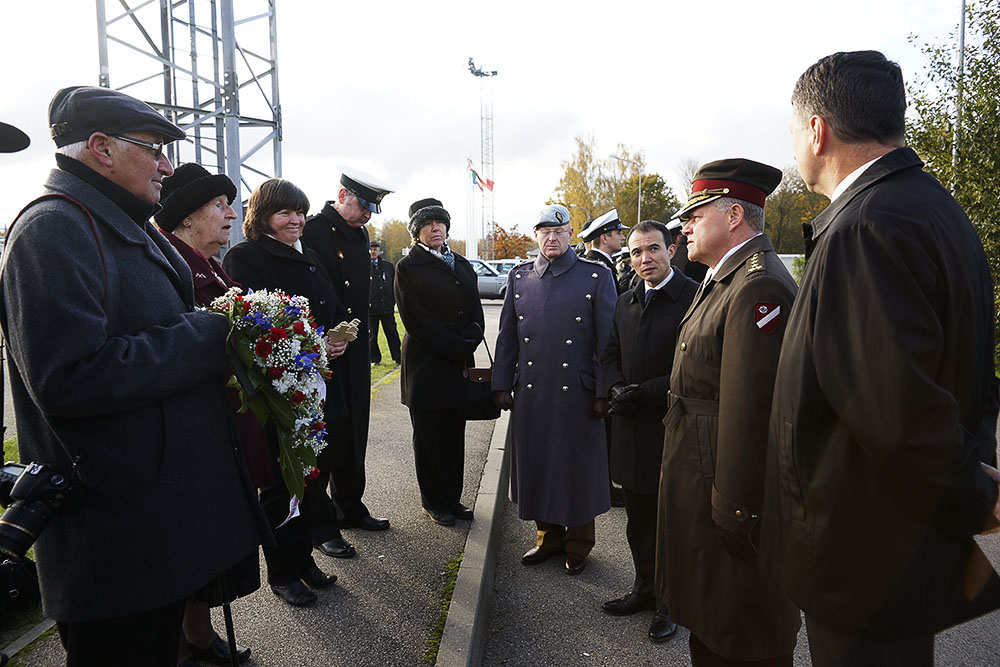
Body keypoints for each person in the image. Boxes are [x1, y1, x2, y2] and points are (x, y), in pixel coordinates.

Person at [0, 85, 269, 665]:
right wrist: (209, 333)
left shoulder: (124, 220)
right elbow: (69, 378)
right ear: (100, 147)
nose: (167, 166)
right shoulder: (53, 229)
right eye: (153, 148)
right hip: (117, 536)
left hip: (155, 521)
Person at [760, 50, 1000, 667]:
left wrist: (975, 489)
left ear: (818, 130)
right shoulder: (935, 210)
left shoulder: (865, 226)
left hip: (863, 560)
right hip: (896, 551)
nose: (795, 147)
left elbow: (896, 411)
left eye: (794, 131)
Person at [654, 158, 800, 666]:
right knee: (713, 628)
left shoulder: (758, 285)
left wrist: (735, 511)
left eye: (696, 215)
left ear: (734, 214)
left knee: (738, 633)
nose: (684, 226)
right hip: (703, 476)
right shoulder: (725, 276)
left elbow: (752, 414)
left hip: (726, 491)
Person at [156, 163, 264, 664]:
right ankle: (191, 643)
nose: (230, 214)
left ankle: (198, 638)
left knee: (212, 549)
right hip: (198, 430)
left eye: (229, 204)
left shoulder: (210, 264)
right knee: (192, 551)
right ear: (184, 218)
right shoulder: (174, 264)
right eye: (218, 206)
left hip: (224, 426)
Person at [222, 178, 345, 606]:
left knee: (310, 477)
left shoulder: (308, 254)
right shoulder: (246, 256)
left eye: (300, 212)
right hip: (276, 393)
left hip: (314, 385)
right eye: (285, 212)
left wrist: (333, 340)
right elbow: (252, 325)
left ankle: (305, 559)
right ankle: (283, 572)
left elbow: (323, 310)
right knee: (280, 482)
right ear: (262, 216)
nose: (296, 220)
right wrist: (311, 343)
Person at [492, 204, 616, 575]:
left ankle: (578, 544)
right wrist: (501, 384)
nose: (551, 238)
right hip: (532, 390)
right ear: (536, 236)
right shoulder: (520, 277)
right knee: (539, 464)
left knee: (575, 467)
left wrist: (602, 392)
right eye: (544, 231)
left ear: (571, 234)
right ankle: (547, 538)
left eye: (558, 232)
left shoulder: (595, 276)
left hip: (577, 392)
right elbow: (507, 337)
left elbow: (606, 340)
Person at [600, 220, 697, 644]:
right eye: (636, 252)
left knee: (670, 523)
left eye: (653, 249)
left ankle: (669, 604)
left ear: (671, 250)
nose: (645, 259)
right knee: (638, 521)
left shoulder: (693, 296)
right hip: (631, 428)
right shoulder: (625, 301)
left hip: (672, 429)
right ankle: (644, 589)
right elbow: (608, 352)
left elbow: (696, 367)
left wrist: (647, 392)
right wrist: (616, 387)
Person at [301, 166, 393, 533]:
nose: (368, 215)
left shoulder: (359, 235)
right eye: (363, 206)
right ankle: (322, 523)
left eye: (372, 208)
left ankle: (350, 505)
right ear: (342, 197)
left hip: (353, 350)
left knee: (355, 430)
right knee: (327, 435)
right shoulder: (311, 230)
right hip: (325, 350)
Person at [394, 198, 485, 526]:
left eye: (440, 223)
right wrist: (455, 345)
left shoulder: (461, 263)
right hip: (426, 365)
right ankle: (434, 501)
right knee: (429, 437)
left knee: (453, 435)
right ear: (417, 232)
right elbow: (415, 319)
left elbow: (476, 307)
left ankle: (453, 498)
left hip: (458, 360)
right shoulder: (407, 268)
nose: (435, 229)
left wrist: (472, 337)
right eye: (428, 224)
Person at [579, 209, 630, 508]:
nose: (621, 237)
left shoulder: (603, 265)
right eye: (617, 233)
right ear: (604, 237)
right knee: (603, 432)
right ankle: (603, 486)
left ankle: (605, 484)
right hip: (599, 360)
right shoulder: (597, 267)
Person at [368, 239, 401, 366]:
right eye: (370, 249)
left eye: (375, 249)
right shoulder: (364, 266)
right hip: (372, 308)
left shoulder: (387, 266)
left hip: (387, 306)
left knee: (392, 332)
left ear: (379, 250)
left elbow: (394, 283)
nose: (373, 252)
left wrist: (394, 299)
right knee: (372, 336)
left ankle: (398, 357)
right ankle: (375, 359)